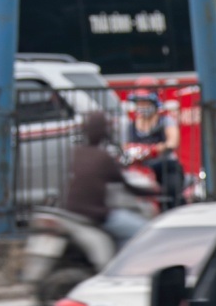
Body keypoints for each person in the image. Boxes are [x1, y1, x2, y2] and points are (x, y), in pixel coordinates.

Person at [59, 110, 146, 245]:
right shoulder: (103, 157)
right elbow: (126, 185)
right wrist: (153, 192)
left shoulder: (77, 153)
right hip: (96, 214)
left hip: (72, 210)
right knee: (142, 230)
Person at [122, 90, 182, 209]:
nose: (141, 106)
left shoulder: (165, 121)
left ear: (154, 103)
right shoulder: (131, 125)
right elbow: (125, 146)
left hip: (165, 166)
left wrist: (156, 149)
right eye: (139, 103)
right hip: (140, 167)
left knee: (171, 190)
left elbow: (173, 142)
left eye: (145, 103)